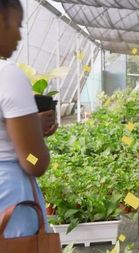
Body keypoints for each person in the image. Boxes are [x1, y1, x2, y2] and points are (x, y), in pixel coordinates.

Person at [0, 0, 57, 238]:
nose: (20, 36)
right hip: (10, 203)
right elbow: (33, 162)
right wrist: (36, 143)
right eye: (16, 24)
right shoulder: (7, 76)